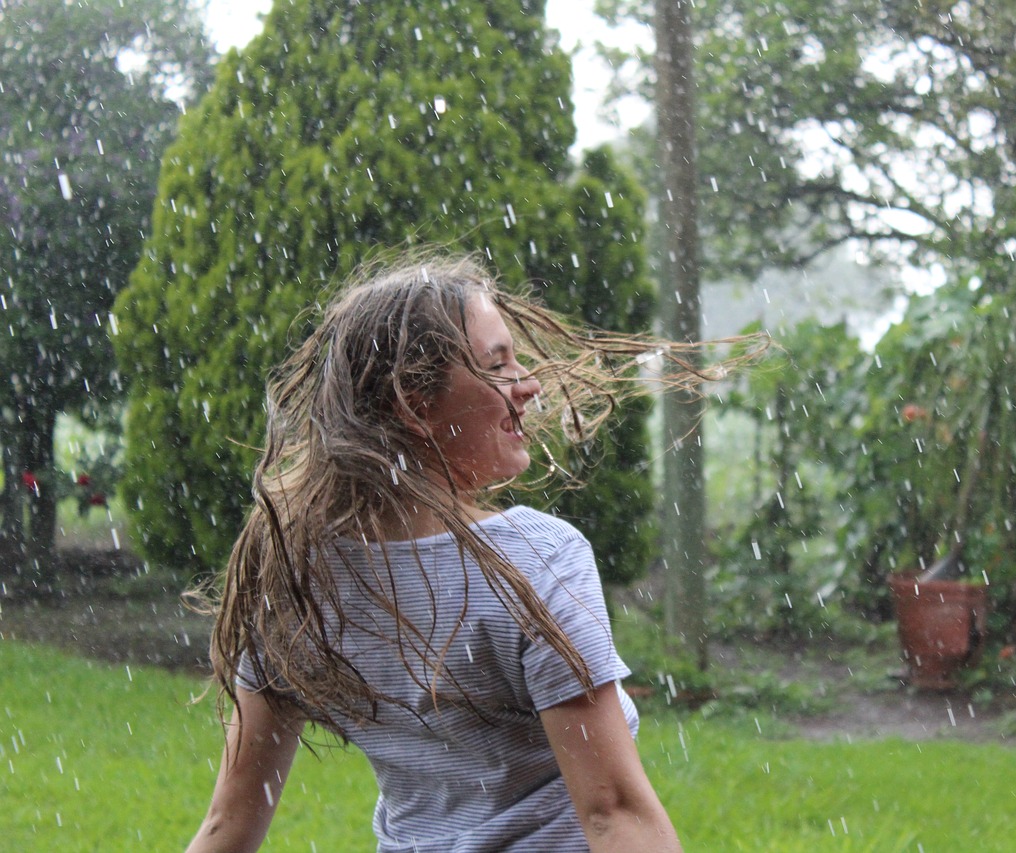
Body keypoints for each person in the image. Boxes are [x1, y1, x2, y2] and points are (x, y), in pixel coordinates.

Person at [184, 252, 750, 852]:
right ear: (416, 404)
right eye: (498, 366)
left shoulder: (298, 578)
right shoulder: (536, 561)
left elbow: (230, 822)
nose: (530, 385)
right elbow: (612, 811)